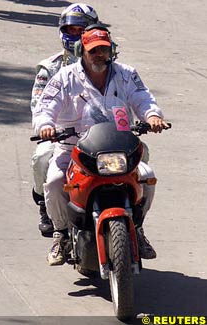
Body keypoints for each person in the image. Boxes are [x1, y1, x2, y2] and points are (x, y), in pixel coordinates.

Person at [32, 24, 169, 266]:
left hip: (118, 146)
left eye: (103, 50)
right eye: (93, 50)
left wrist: (152, 116)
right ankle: (61, 235)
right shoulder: (64, 77)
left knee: (147, 176)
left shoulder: (127, 73)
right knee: (54, 182)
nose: (99, 55)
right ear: (81, 50)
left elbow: (143, 98)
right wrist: (46, 125)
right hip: (74, 148)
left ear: (111, 51)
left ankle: (137, 227)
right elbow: (45, 107)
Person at [30, 4, 99, 236]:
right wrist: (48, 126)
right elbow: (39, 104)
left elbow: (129, 98)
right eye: (71, 30)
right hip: (63, 134)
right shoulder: (50, 68)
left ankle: (135, 223)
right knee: (42, 157)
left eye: (82, 30)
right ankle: (45, 206)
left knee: (141, 157)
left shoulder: (108, 62)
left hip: (101, 134)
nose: (76, 36)